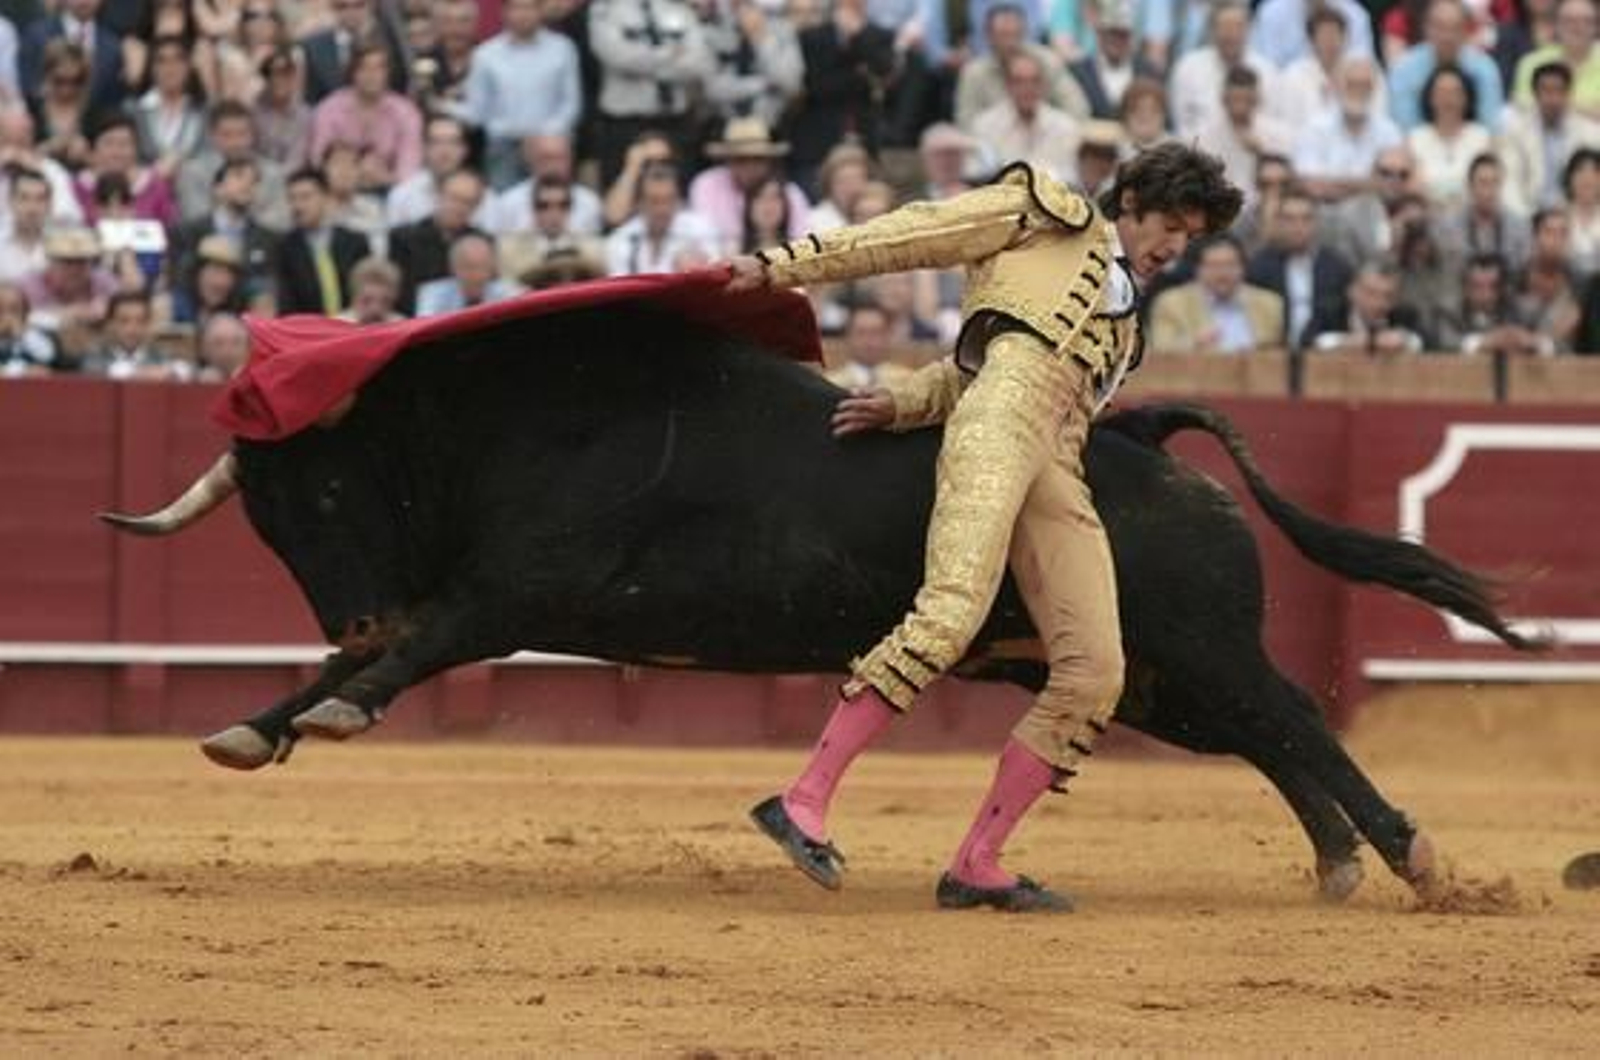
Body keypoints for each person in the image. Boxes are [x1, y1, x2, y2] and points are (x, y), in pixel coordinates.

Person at [723, 143, 1242, 912]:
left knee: (1096, 672)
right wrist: (782, 264)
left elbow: (968, 369)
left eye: (1191, 237)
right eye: (1170, 223)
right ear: (1130, 200)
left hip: (1058, 466)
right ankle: (802, 801)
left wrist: (904, 401)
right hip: (998, 427)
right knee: (951, 612)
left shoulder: (1129, 327)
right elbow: (914, 233)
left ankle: (978, 861)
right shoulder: (1044, 214)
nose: (1177, 247)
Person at [1149, 234, 1286, 355]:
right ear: (1198, 270)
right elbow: (1161, 351)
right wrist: (1194, 344)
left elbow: (1282, 351)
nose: (1223, 273)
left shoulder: (1270, 303)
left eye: (1230, 265)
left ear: (1243, 268)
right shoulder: (1171, 303)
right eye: (1214, 266)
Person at [275, 166, 370, 316]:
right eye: (292, 198)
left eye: (305, 197)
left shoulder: (355, 242)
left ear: (327, 197)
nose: (297, 206)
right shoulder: (284, 247)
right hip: (308, 329)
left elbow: (366, 291)